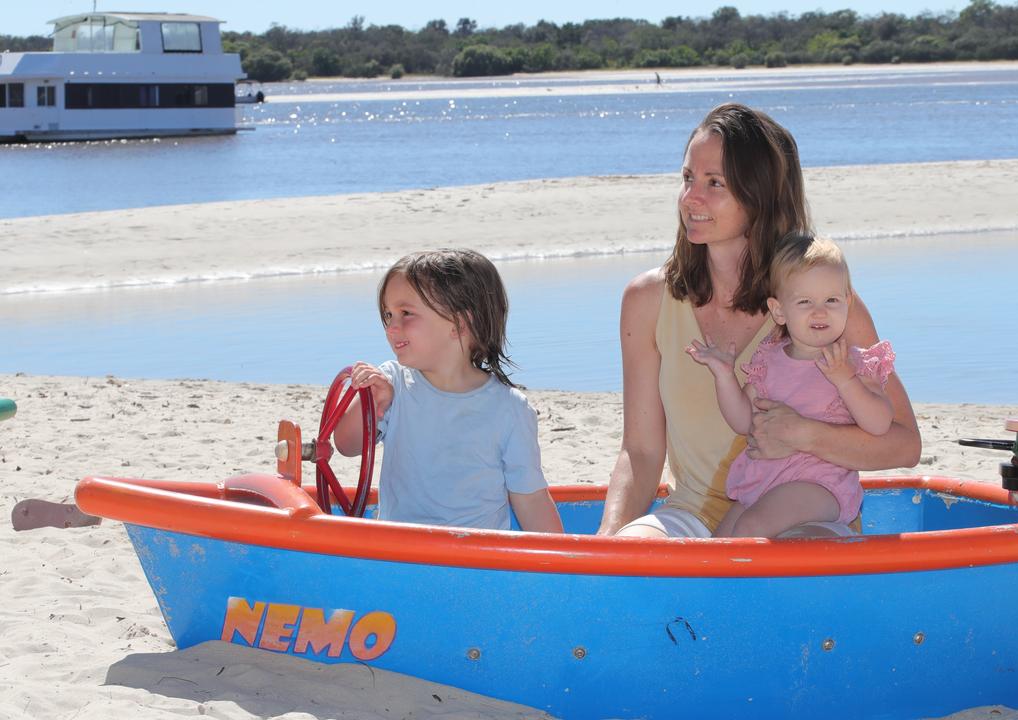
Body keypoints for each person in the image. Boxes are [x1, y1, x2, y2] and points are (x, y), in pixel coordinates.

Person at [597, 103, 921, 540]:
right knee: (636, 549)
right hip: (693, 512)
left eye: (715, 184)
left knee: (789, 557)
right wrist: (605, 549)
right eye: (688, 178)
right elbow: (640, 451)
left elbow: (904, 444)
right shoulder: (647, 300)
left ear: (760, 194)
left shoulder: (821, 307)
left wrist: (806, 434)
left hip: (804, 513)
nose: (691, 198)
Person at [334, 249, 563, 534]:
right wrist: (373, 406)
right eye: (388, 314)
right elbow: (345, 445)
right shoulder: (394, 384)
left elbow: (531, 499)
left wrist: (564, 566)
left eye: (406, 313)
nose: (392, 326)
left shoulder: (509, 409)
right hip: (399, 554)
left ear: (460, 324)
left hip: (474, 562)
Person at [687, 232, 896, 537]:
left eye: (831, 300)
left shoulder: (853, 362)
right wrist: (725, 377)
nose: (820, 311)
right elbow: (744, 420)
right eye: (805, 302)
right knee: (720, 542)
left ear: (848, 302)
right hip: (766, 482)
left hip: (819, 484)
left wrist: (845, 379)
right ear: (779, 310)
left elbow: (879, 424)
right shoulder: (770, 359)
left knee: (752, 527)